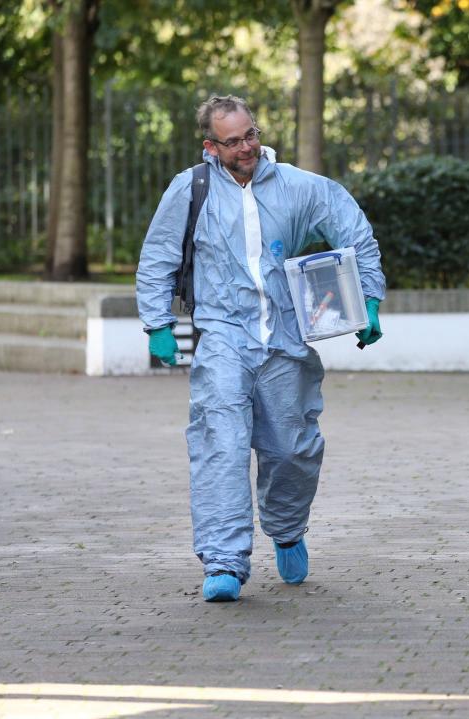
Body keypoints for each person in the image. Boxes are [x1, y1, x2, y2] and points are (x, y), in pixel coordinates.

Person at [136, 95, 385, 602]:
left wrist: (370, 298)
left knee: (292, 449)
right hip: (223, 336)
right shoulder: (190, 191)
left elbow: (355, 235)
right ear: (211, 146)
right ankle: (224, 562)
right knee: (220, 444)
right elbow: (158, 255)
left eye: (251, 134)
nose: (247, 147)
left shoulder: (300, 186)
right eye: (233, 141)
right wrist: (156, 323)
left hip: (287, 340)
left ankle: (287, 527)